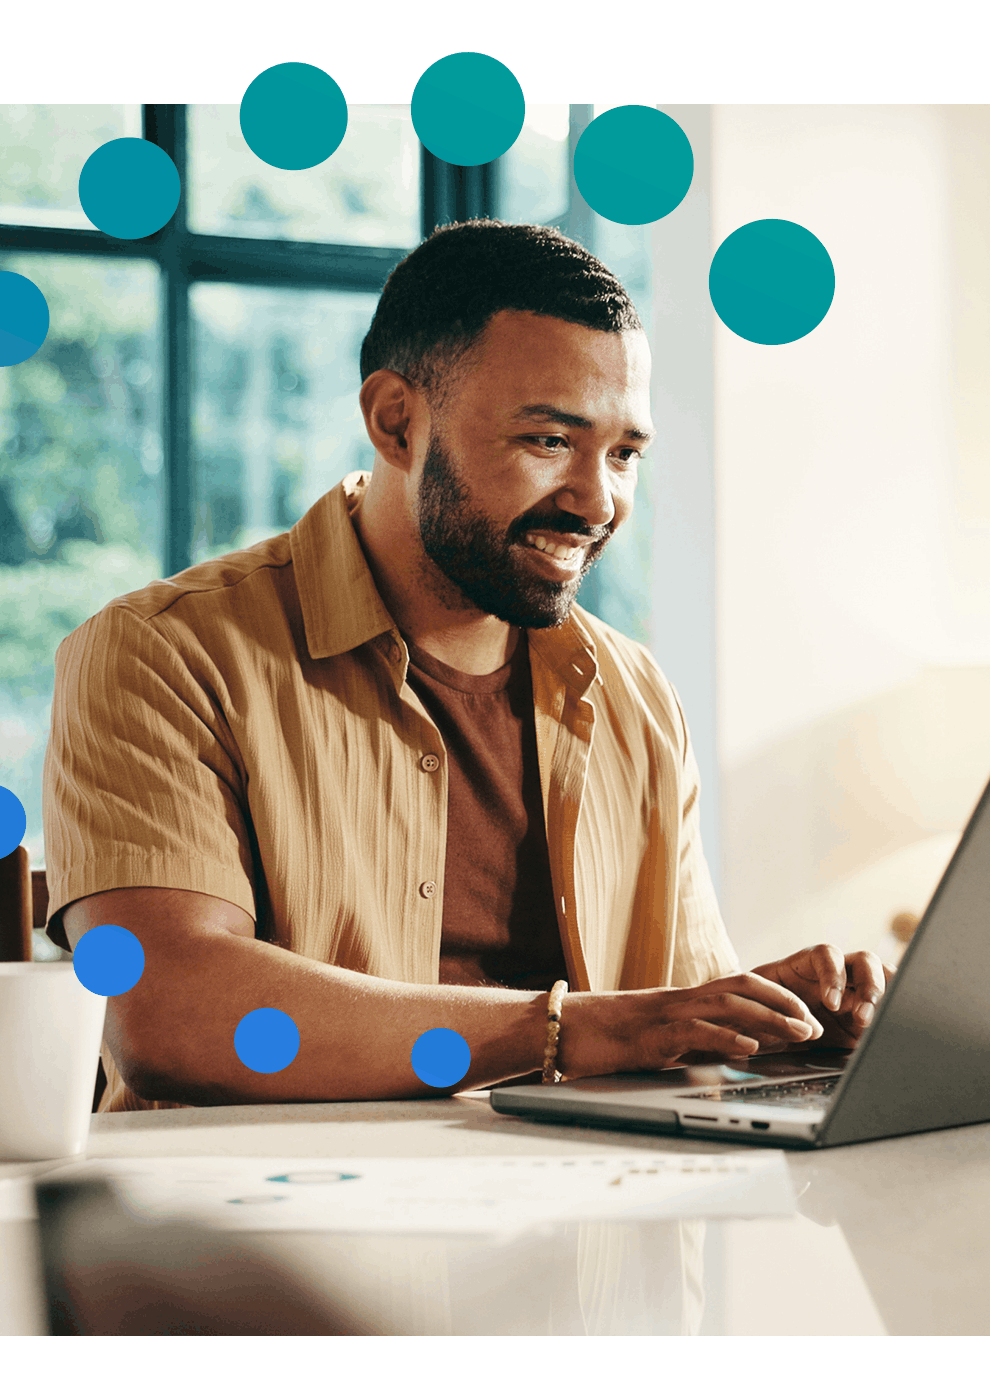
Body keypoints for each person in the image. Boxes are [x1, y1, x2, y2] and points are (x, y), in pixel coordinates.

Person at [44, 219, 892, 1111]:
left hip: (586, 1223)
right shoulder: (163, 654)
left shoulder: (637, 696)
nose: (596, 500)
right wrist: (575, 1030)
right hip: (270, 1231)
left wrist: (775, 1027)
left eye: (625, 454)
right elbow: (165, 1014)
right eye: (548, 442)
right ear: (396, 421)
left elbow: (665, 1017)